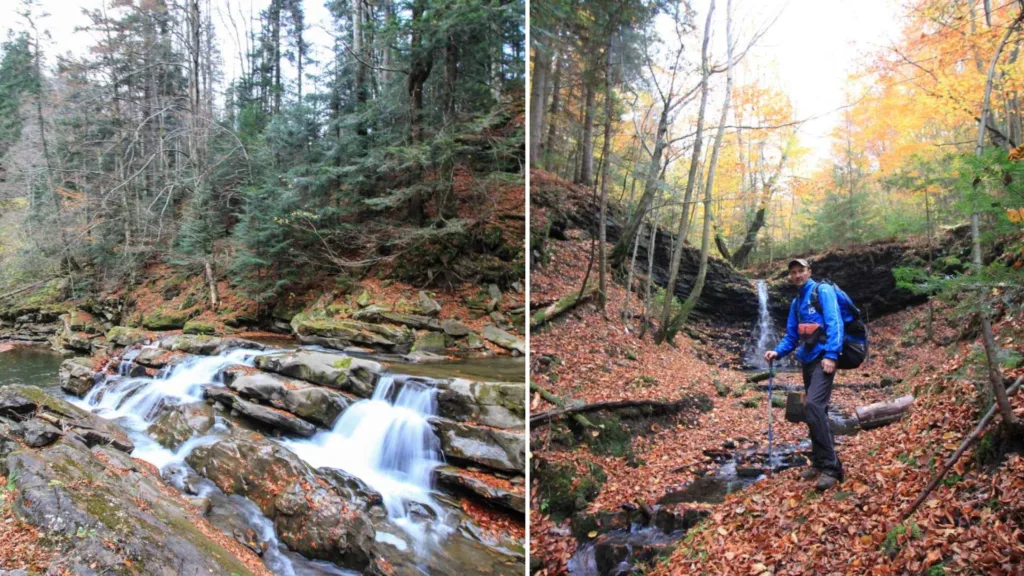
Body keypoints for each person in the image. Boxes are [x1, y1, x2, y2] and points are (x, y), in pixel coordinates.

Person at [765, 258, 844, 491]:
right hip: (808, 360)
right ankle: (819, 461)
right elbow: (791, 336)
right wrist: (777, 352)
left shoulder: (824, 291)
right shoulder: (796, 302)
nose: (797, 275)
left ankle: (833, 468)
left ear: (810, 272)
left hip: (823, 358)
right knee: (816, 410)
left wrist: (832, 354)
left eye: (801, 271)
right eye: (793, 272)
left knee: (813, 407)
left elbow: (834, 322)